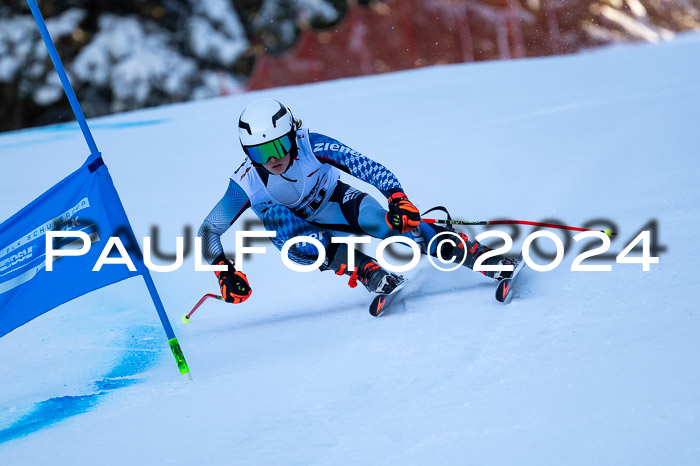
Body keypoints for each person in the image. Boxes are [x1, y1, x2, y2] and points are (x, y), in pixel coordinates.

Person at [198, 98, 517, 304]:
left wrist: (398, 200)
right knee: (289, 235)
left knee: (385, 224)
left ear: (291, 136)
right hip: (301, 225)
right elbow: (208, 231)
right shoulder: (246, 182)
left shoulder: (312, 143)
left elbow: (368, 168)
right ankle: (366, 270)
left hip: (336, 200)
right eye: (259, 153)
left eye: (279, 146)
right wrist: (223, 270)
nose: (272, 159)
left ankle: (475, 253)